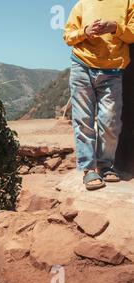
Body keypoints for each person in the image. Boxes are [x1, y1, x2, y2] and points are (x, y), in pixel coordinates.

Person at [64, 0, 134, 191]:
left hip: (113, 70)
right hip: (82, 66)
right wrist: (85, 31)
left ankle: (105, 165)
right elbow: (68, 36)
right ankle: (88, 169)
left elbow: (132, 33)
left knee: (110, 121)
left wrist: (115, 28)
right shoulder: (82, 4)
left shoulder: (128, 3)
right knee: (83, 119)